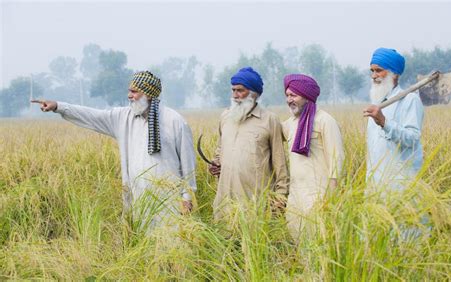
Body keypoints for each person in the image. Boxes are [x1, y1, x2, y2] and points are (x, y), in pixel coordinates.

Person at [32, 70, 196, 228]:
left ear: (148, 93)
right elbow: (91, 116)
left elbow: (188, 165)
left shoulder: (175, 121)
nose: (129, 96)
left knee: (170, 246)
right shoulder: (122, 117)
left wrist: (187, 198)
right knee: (140, 246)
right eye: (129, 91)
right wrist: (58, 106)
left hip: (168, 201)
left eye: (134, 91)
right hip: (137, 199)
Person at [208, 67, 289, 220]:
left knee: (254, 243)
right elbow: (220, 149)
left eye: (240, 90)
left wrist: (280, 198)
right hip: (224, 203)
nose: (235, 96)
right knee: (223, 241)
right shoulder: (226, 117)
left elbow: (280, 163)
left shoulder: (269, 120)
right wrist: (215, 163)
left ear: (254, 93)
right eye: (233, 90)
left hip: (255, 204)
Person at [282, 74, 344, 241]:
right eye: (287, 96)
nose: (289, 100)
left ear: (306, 96)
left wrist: (330, 197)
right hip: (295, 197)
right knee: (298, 241)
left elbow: (336, 158)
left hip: (318, 195)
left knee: (319, 244)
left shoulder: (325, 121)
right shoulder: (290, 124)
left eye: (293, 95)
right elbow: (268, 135)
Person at [363, 48, 424, 189]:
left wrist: (384, 122)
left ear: (394, 73)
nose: (373, 75)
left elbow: (413, 139)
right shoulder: (377, 105)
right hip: (376, 184)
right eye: (372, 71)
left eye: (379, 70)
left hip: (401, 185)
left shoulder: (410, 100)